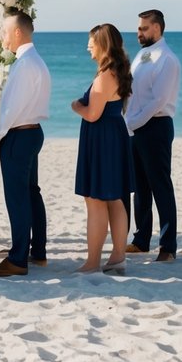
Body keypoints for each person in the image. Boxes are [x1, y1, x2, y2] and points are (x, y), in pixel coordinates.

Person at [0, 12, 51, 278]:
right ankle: (37, 251)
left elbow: (12, 108)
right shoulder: (36, 61)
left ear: (17, 33)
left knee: (17, 198)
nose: (1, 37)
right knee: (31, 193)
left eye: (4, 31)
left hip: (20, 135)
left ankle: (18, 258)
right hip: (33, 132)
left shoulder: (24, 64)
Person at [72, 23, 134, 275]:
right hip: (113, 137)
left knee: (96, 199)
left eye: (91, 42)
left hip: (101, 140)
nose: (88, 46)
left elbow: (93, 114)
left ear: (103, 45)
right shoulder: (116, 72)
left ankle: (92, 261)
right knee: (114, 199)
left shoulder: (105, 75)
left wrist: (76, 105)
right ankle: (118, 256)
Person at [122, 9, 181, 263]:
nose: (139, 33)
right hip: (135, 127)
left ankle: (168, 246)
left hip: (155, 126)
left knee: (160, 186)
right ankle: (141, 239)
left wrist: (131, 123)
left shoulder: (167, 59)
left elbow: (158, 100)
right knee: (141, 187)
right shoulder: (142, 56)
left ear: (157, 28)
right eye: (138, 28)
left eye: (144, 28)